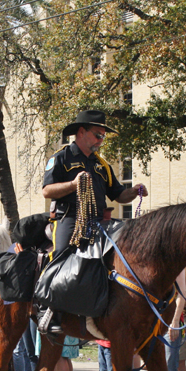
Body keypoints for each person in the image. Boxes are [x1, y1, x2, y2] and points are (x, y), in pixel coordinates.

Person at [39, 110, 146, 334]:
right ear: (81, 132)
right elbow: (47, 191)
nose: (101, 140)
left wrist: (134, 191)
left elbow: (118, 195)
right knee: (62, 255)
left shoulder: (102, 165)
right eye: (98, 135)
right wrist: (73, 184)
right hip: (69, 218)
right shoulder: (61, 157)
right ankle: (50, 309)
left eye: (103, 136)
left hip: (98, 222)